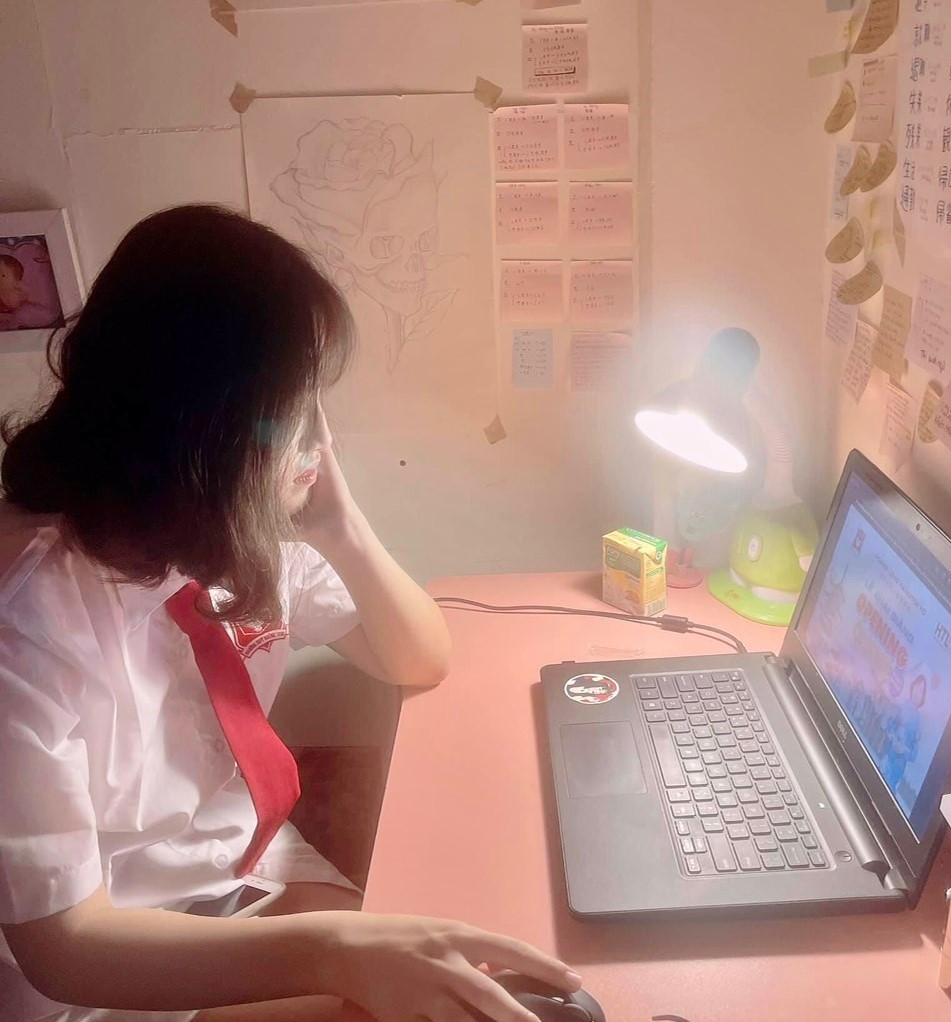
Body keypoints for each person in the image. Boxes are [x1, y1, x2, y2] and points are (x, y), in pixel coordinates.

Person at [0, 205, 581, 1022]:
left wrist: (340, 527)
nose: (316, 438)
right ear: (203, 430)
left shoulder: (221, 532)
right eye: (292, 411)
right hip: (114, 965)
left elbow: (417, 656)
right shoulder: (28, 616)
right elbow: (66, 945)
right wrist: (334, 951)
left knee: (482, 965)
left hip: (244, 866)